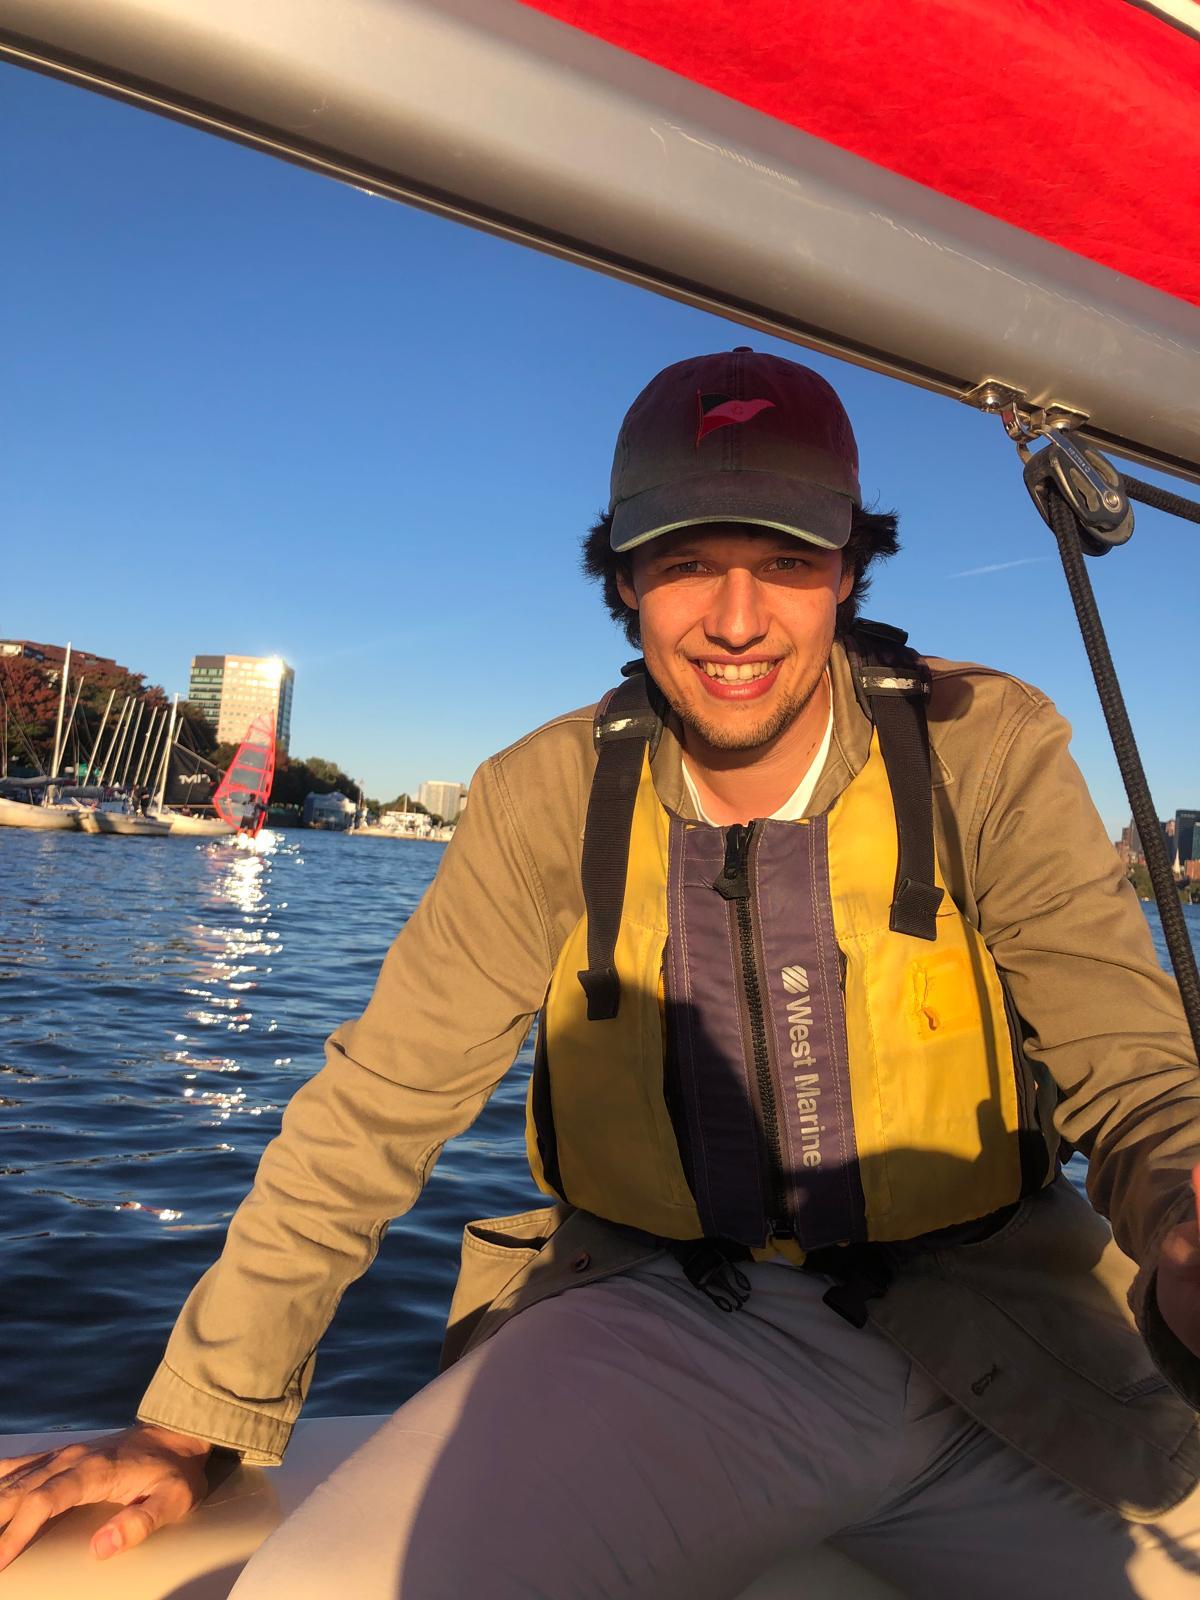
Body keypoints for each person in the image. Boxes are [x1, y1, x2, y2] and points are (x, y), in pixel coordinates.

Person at [2, 349, 1200, 1597]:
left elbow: (1134, 1077)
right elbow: (376, 1108)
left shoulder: (987, 750)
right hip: (674, 1328)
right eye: (686, 563)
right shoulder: (546, 794)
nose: (736, 619)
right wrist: (192, 1419)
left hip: (1019, 1344)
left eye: (787, 561)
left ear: (849, 570)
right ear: (624, 577)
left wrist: (1182, 1231)